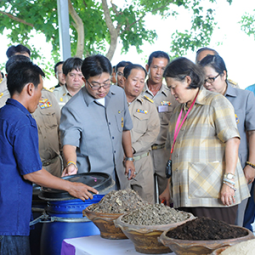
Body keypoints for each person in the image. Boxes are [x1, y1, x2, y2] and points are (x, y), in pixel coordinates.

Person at [0, 61, 98, 255]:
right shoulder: (22, 121)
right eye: (40, 89)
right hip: (11, 218)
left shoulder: (4, 114)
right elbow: (32, 173)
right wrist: (71, 186)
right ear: (30, 88)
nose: (41, 95)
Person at [159, 57, 249, 225]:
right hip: (184, 196)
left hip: (213, 195)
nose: (172, 93)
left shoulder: (215, 102)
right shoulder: (178, 111)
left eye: (173, 87)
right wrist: (168, 188)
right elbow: (174, 154)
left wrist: (228, 183)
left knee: (217, 245)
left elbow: (232, 141)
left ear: (187, 80)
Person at [60, 54, 135, 190]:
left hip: (120, 175)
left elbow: (125, 129)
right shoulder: (73, 108)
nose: (102, 89)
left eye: (106, 83)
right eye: (95, 85)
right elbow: (69, 143)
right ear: (84, 80)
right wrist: (71, 163)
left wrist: (129, 158)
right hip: (94, 182)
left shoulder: (119, 94)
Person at [199, 54, 255, 227]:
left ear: (223, 74)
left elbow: (252, 133)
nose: (207, 84)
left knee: (236, 221)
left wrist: (251, 165)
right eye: (203, 80)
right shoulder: (202, 100)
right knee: (213, 222)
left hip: (239, 169)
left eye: (211, 79)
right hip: (210, 171)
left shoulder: (244, 97)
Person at [142, 51, 179, 200]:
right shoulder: (137, 92)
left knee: (167, 199)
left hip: (165, 153)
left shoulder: (173, 94)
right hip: (144, 154)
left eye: (163, 68)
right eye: (155, 67)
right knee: (144, 199)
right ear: (148, 67)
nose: (158, 72)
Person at [123, 64, 160, 203]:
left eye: (141, 81)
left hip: (142, 161)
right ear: (124, 79)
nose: (138, 85)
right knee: (119, 205)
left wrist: (132, 150)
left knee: (145, 206)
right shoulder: (112, 103)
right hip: (119, 163)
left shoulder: (148, 105)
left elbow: (153, 132)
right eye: (134, 80)